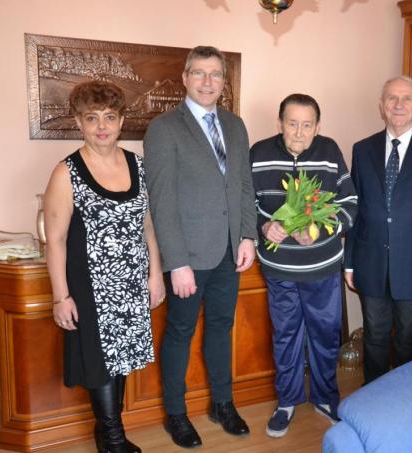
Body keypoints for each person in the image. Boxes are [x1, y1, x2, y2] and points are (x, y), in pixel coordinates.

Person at [143, 45, 257, 449]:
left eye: (215, 74)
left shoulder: (235, 125)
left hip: (229, 251)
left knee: (222, 328)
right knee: (180, 331)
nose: (208, 82)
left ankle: (222, 404)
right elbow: (161, 201)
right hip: (188, 257)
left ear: (224, 82)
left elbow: (243, 185)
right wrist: (176, 262)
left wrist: (248, 235)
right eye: (199, 73)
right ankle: (175, 413)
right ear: (185, 78)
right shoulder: (164, 128)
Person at [44, 80, 166, 453]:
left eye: (109, 117)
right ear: (78, 123)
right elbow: (55, 240)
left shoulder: (137, 165)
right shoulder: (66, 172)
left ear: (121, 121)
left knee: (121, 359)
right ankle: (113, 441)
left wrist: (155, 275)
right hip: (90, 288)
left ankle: (109, 435)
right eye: (92, 118)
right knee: (99, 363)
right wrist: (60, 296)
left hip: (130, 284)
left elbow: (148, 226)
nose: (101, 126)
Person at [249, 94, 358, 437]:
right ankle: (287, 401)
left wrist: (321, 230)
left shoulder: (329, 152)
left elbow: (350, 203)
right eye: (292, 123)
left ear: (317, 126)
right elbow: (245, 204)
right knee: (285, 335)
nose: (299, 132)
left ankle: (325, 398)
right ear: (279, 124)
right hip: (279, 269)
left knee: (325, 334)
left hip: (322, 267)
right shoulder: (258, 154)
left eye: (307, 125)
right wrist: (263, 226)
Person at [344, 76, 412, 385]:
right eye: (392, 98)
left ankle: (405, 402)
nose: (399, 104)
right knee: (374, 338)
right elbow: (355, 208)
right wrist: (349, 262)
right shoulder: (362, 149)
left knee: (409, 341)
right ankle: (373, 401)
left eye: (407, 98)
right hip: (370, 262)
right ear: (382, 106)